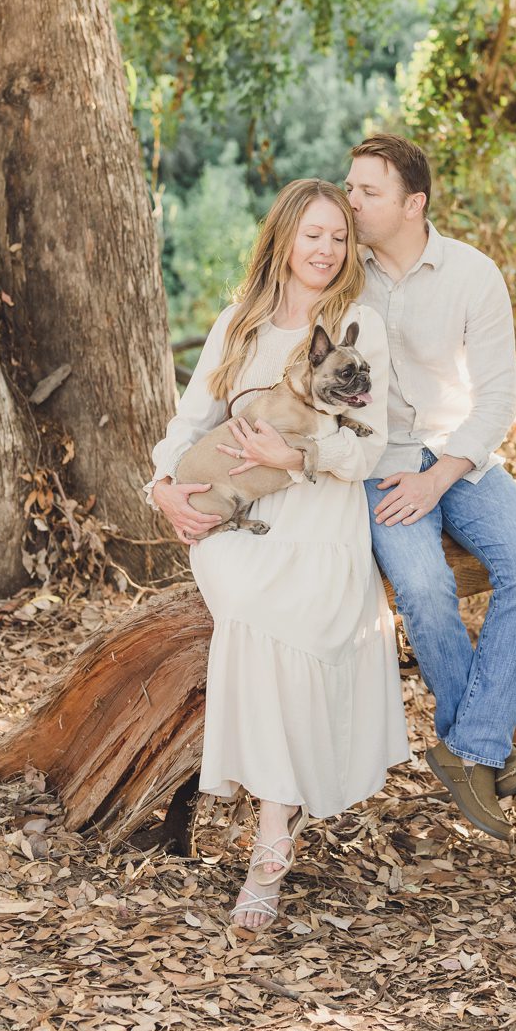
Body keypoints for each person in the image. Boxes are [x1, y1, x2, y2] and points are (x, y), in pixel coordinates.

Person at [147, 179, 410, 931]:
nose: (326, 250)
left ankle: (269, 841)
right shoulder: (241, 323)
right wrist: (160, 484)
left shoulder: (359, 325)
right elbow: (189, 417)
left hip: (321, 515)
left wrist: (294, 457)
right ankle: (275, 822)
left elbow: (369, 448)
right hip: (240, 521)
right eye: (313, 234)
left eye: (339, 236)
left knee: (288, 622)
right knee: (249, 606)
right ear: (284, 238)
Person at [344, 133, 516, 841]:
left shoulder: (472, 274)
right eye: (350, 188)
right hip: (377, 467)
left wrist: (441, 472)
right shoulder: (342, 275)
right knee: (426, 587)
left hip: (460, 456)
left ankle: (467, 748)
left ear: (414, 204)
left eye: (367, 192)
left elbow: (497, 398)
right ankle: (483, 747)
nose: (351, 202)